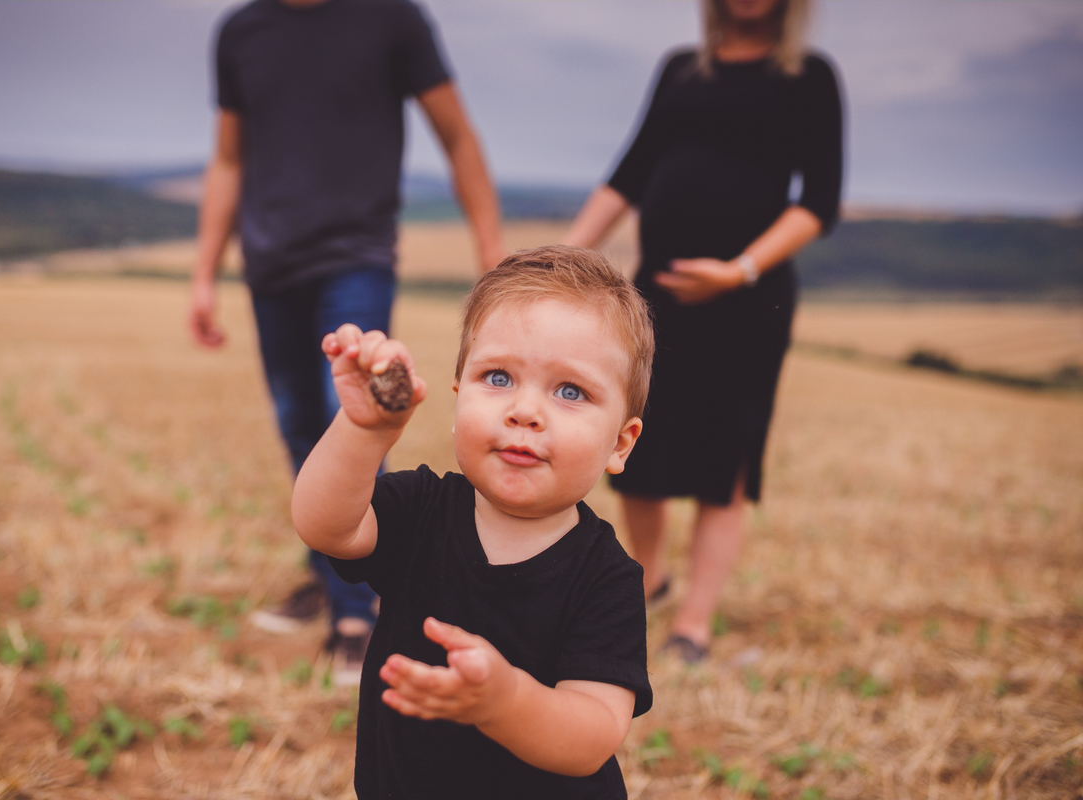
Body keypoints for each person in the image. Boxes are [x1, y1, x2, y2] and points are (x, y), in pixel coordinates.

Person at [189, 0, 504, 684]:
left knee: (356, 421)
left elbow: (457, 136)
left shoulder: (393, 19)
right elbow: (227, 160)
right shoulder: (241, 32)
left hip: (355, 260)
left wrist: (492, 258)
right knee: (299, 426)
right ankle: (334, 570)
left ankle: (357, 612)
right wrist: (204, 271)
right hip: (269, 267)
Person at [291, 246, 654, 798]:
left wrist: (505, 702)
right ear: (460, 394)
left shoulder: (606, 577)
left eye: (570, 391)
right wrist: (365, 432)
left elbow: (594, 737)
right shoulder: (421, 509)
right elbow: (326, 527)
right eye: (499, 378)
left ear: (620, 443)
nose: (525, 411)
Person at [563, 0, 842, 663]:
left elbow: (819, 202)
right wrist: (563, 258)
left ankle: (694, 622)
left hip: (749, 303)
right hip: (656, 296)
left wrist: (738, 270)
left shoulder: (809, 77)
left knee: (727, 461)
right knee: (639, 452)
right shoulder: (682, 70)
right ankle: (647, 581)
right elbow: (629, 174)